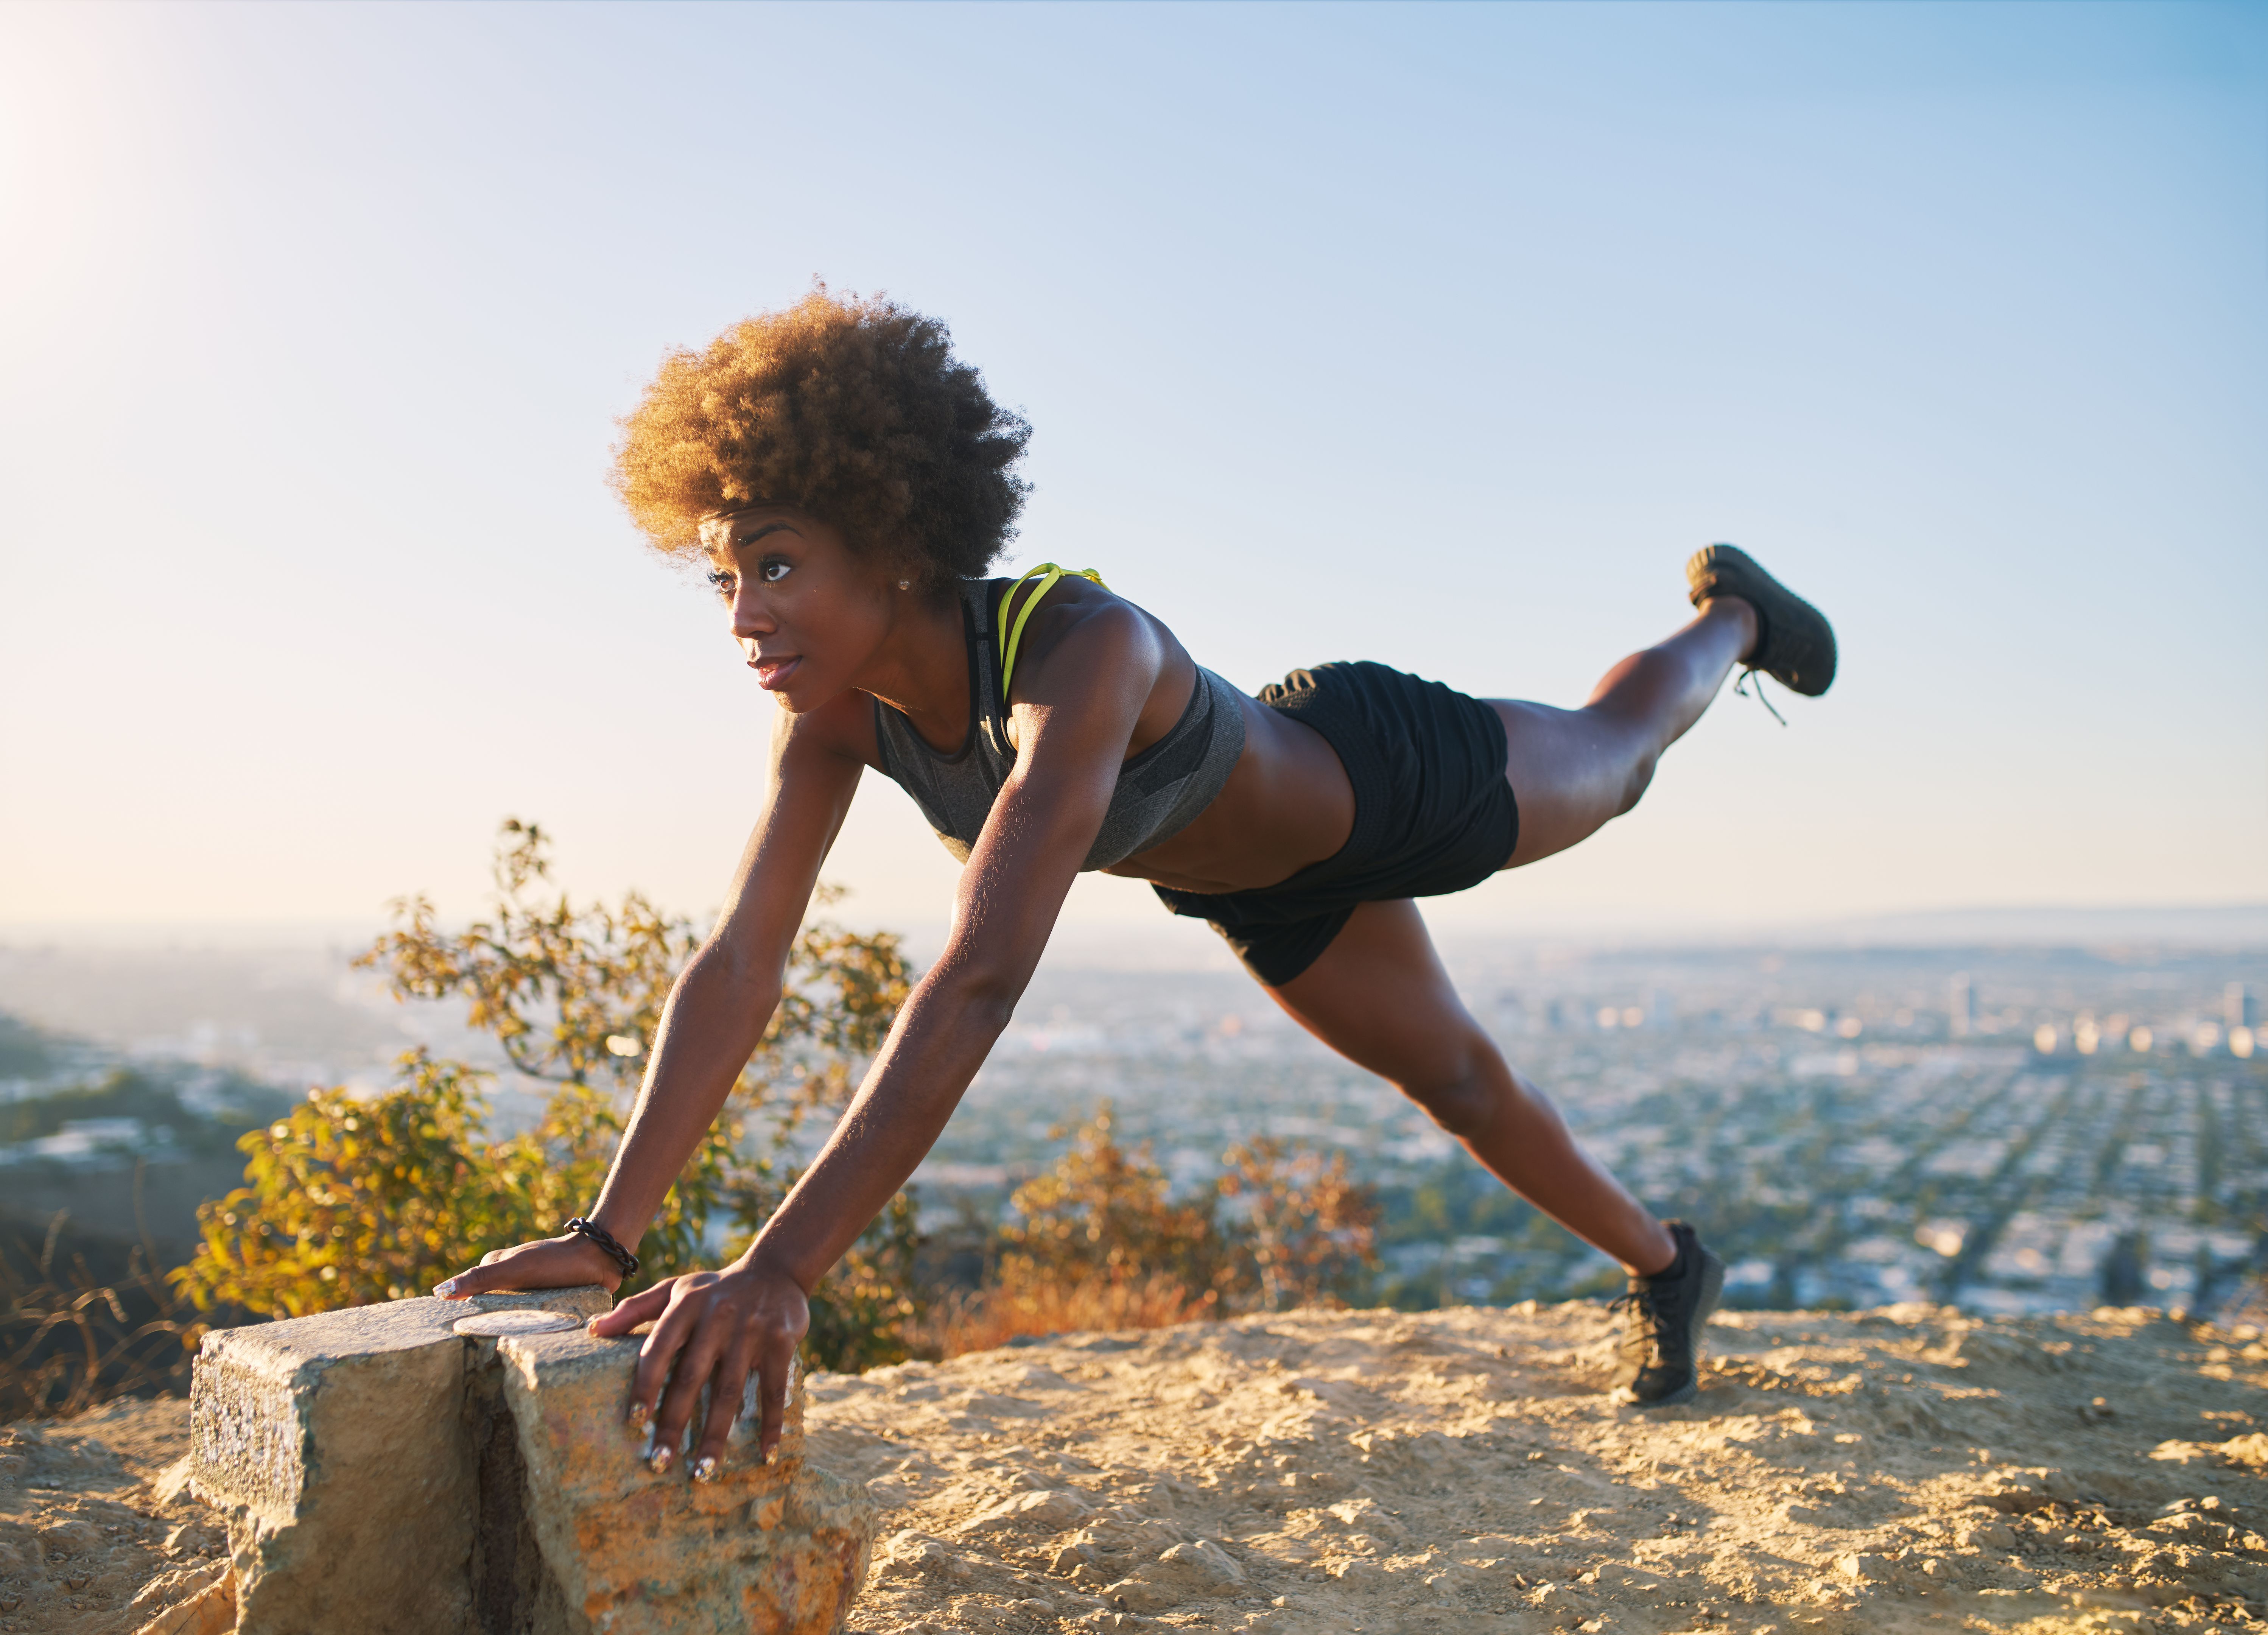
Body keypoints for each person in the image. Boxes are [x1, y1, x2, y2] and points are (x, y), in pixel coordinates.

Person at [436, 289, 1837, 1480]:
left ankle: (1734, 614)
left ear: (897, 534)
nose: (744, 616)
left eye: (779, 565)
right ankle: (1669, 1265)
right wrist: (607, 1238)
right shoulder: (829, 721)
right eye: (727, 578)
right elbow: (741, 963)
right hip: (1259, 890)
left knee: (1619, 750)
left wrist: (782, 1268)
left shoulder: (1078, 648)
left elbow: (979, 972)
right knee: (1461, 1085)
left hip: (1384, 775)